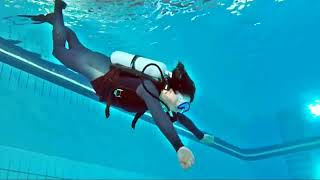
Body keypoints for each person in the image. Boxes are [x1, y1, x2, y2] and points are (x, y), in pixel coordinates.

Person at [20, 0, 214, 170]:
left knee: (77, 48)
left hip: (102, 68)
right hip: (99, 70)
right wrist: (179, 146)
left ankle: (56, 21)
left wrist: (199, 135)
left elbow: (180, 119)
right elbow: (158, 117)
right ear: (172, 90)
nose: (181, 108)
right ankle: (57, 11)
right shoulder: (150, 89)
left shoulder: (164, 100)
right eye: (182, 102)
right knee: (59, 50)